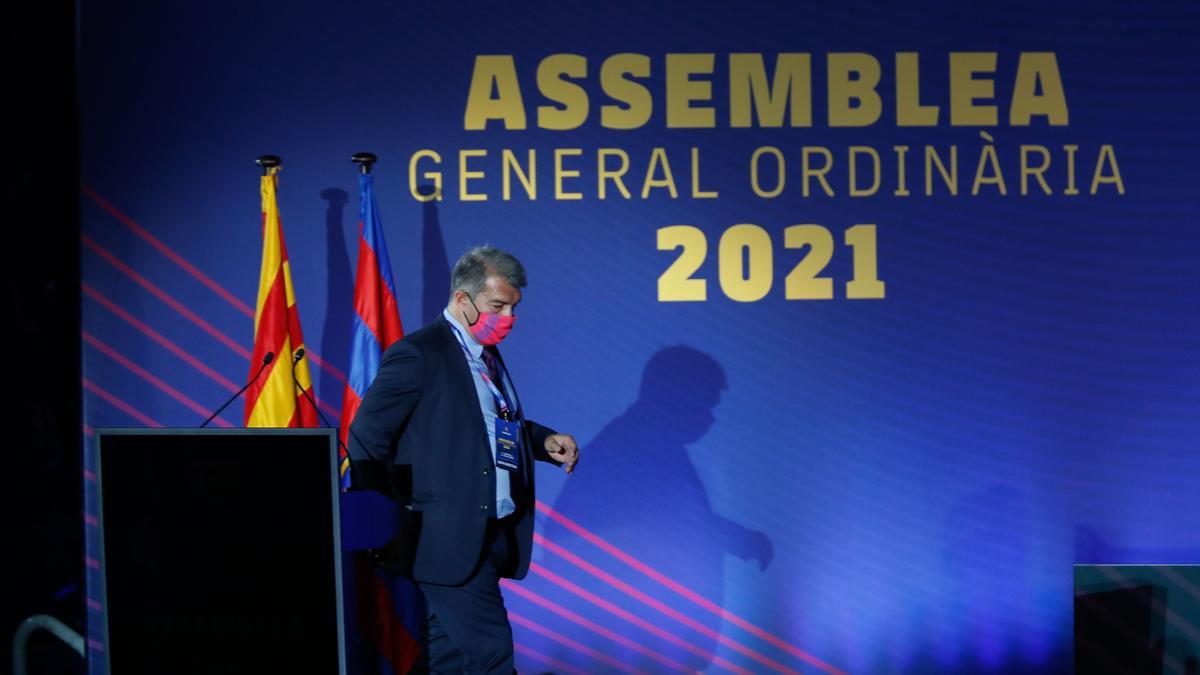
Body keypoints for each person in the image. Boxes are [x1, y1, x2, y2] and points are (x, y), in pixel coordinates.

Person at [348, 245, 580, 674]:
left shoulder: (485, 356)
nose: (509, 318)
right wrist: (379, 514)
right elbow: (367, 433)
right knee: (491, 658)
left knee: (450, 660)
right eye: (498, 306)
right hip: (444, 536)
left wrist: (542, 441)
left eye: (513, 307)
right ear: (462, 300)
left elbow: (489, 428)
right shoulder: (419, 353)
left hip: (487, 536)